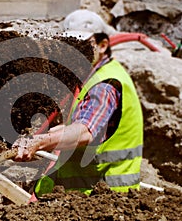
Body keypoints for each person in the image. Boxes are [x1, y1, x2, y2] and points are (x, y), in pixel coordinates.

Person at [13, 10, 143, 198]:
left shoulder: (104, 85)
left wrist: (40, 142)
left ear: (103, 45)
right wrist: (40, 140)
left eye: (84, 44)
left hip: (99, 198)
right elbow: (80, 125)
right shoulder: (90, 76)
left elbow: (84, 131)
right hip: (82, 192)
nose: (75, 51)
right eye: (70, 44)